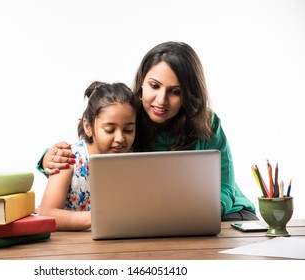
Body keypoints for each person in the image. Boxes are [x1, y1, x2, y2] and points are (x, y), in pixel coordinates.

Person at [38, 41, 258, 222]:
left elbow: (225, 185)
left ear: (188, 95)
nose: (161, 100)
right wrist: (49, 156)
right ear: (142, 82)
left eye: (175, 91)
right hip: (160, 220)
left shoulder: (207, 122)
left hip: (224, 212)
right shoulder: (129, 116)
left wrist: (199, 212)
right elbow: (93, 144)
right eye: (154, 86)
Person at [38, 81, 138, 230]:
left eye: (128, 130)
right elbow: (47, 213)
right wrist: (99, 217)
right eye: (110, 130)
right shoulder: (69, 158)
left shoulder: (135, 160)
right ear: (88, 126)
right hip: (68, 247)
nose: (120, 138)